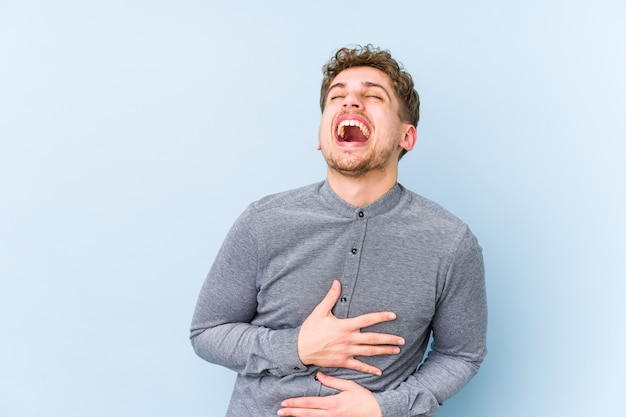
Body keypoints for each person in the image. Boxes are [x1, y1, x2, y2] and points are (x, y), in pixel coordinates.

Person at [190, 44, 487, 417]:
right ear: (320, 136)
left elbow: (461, 354)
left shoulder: (451, 242)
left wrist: (384, 407)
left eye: (373, 96)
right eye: (338, 96)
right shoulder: (263, 222)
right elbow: (207, 332)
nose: (351, 103)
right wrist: (296, 347)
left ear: (406, 137)